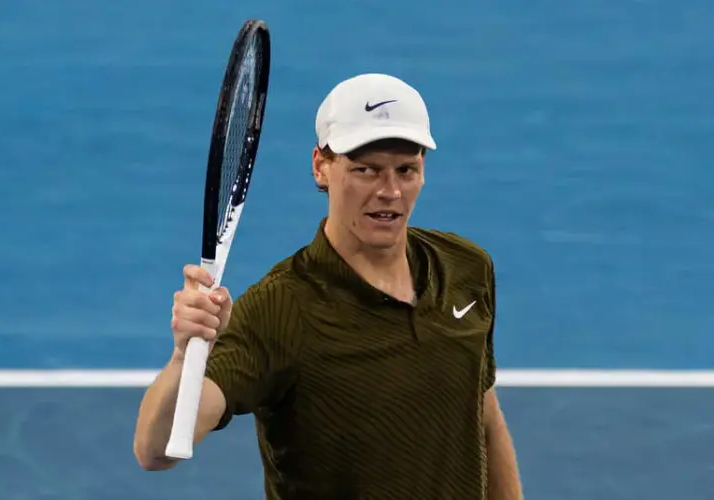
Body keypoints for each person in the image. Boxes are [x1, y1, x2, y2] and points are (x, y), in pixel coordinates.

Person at [134, 73, 523, 499]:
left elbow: (482, 418)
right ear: (321, 167)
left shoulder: (465, 268)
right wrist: (182, 357)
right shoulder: (281, 307)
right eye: (366, 170)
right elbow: (156, 450)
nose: (390, 191)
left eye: (405, 170)